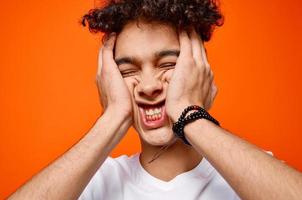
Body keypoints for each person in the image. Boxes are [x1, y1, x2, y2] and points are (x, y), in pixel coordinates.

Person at [8, 0, 302, 199]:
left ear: (197, 69)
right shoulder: (92, 183)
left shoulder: (255, 174)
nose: (148, 86)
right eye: (128, 69)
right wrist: (112, 118)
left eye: (168, 64)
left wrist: (190, 114)